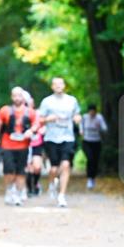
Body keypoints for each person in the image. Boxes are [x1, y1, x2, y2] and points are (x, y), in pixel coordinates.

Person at [0, 87, 40, 206]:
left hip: (23, 145)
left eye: (19, 95)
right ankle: (9, 190)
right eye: (15, 95)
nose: (17, 98)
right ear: (12, 97)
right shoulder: (5, 110)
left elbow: (36, 124)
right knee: (8, 170)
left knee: (21, 171)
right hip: (7, 144)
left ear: (23, 97)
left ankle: (18, 194)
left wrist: (31, 130)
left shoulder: (30, 112)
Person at [37, 77, 81, 208]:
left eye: (61, 84)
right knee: (54, 168)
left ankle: (61, 195)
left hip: (68, 137)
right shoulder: (47, 101)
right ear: (52, 86)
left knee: (66, 165)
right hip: (51, 138)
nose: (58, 86)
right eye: (56, 84)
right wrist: (47, 119)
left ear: (64, 86)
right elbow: (39, 119)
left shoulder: (71, 100)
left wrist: (77, 119)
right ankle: (52, 183)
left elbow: (77, 115)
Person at [81, 103, 107, 189]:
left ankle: (93, 178)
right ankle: (89, 178)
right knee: (90, 158)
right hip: (87, 141)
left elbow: (105, 128)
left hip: (96, 142)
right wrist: (81, 131)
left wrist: (99, 127)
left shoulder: (99, 117)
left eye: (93, 112)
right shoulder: (84, 117)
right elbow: (81, 127)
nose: (92, 113)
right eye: (90, 112)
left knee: (95, 160)